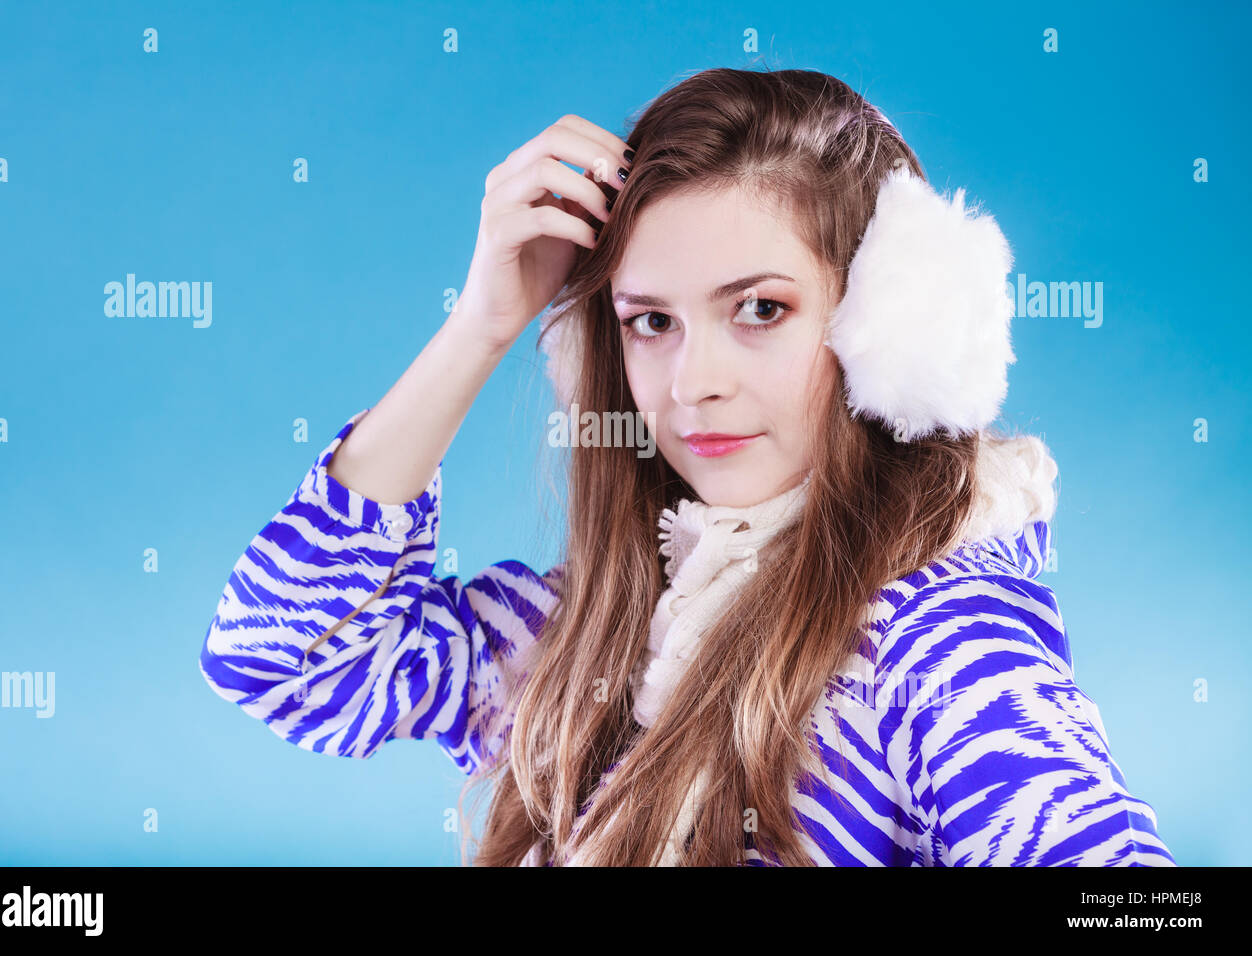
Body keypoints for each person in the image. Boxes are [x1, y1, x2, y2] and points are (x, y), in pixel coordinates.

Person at [198, 67, 1176, 867]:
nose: (692, 384)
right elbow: (282, 660)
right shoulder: (588, 632)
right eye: (651, 322)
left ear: (888, 325)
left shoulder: (939, 639)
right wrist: (481, 326)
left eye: (760, 309)